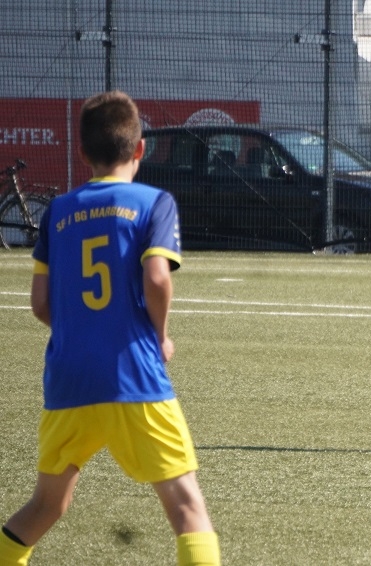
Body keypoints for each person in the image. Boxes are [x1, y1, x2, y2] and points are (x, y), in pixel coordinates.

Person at [0, 91, 220, 566]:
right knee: (187, 507)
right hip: (133, 375)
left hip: (68, 380)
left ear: (83, 153)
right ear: (140, 148)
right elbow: (157, 278)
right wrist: (159, 335)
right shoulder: (154, 202)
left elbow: (39, 303)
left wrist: (81, 328)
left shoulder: (57, 211)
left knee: (47, 505)